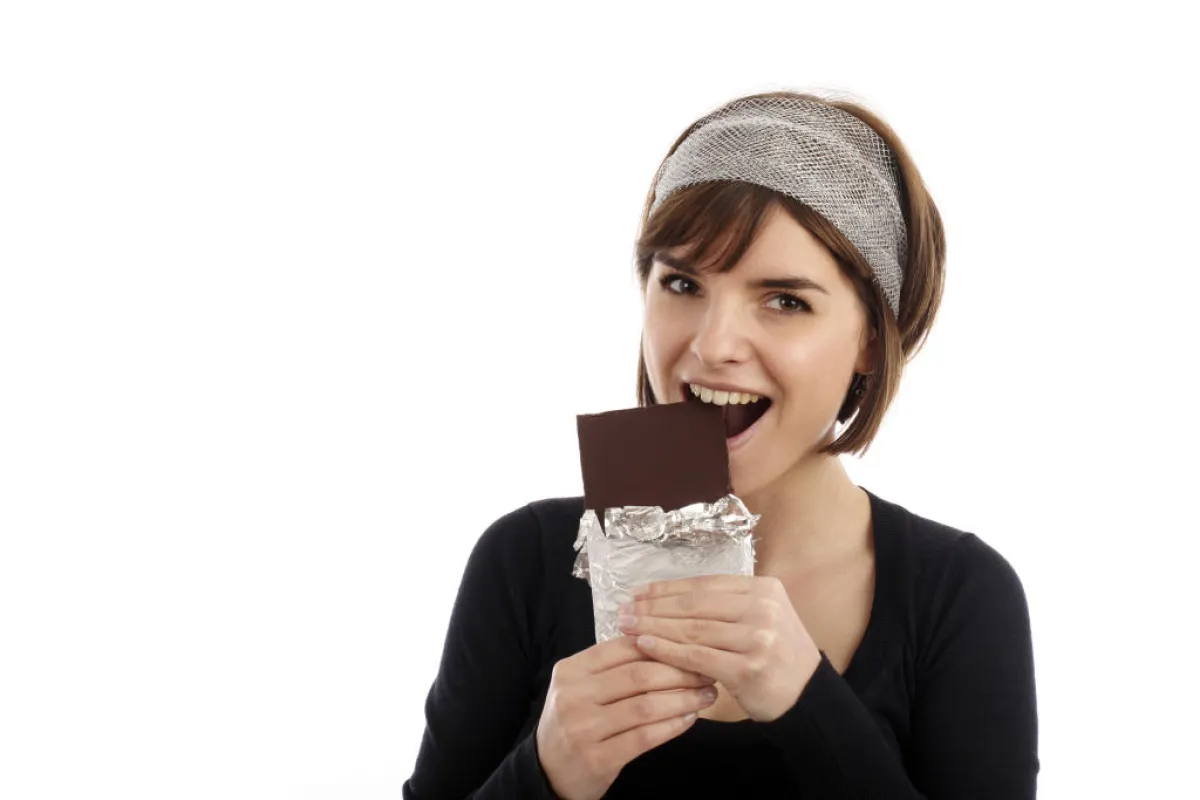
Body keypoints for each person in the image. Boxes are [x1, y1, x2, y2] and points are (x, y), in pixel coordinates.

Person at [402, 91, 1038, 799]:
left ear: (870, 337)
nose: (712, 345)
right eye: (682, 283)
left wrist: (809, 704)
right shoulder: (523, 560)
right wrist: (546, 773)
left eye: (785, 300)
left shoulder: (959, 595)